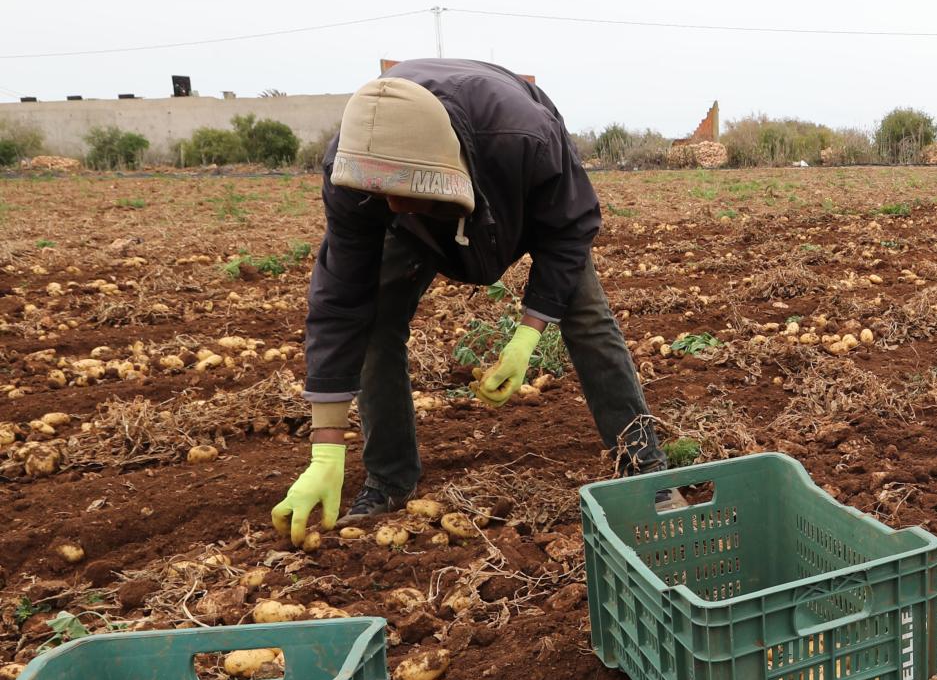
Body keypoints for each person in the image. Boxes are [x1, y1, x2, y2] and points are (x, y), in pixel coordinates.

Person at [272, 60, 666, 544]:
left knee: (585, 314)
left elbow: (569, 230)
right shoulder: (354, 171)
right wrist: (326, 448)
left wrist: (528, 335)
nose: (396, 207)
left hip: (504, 186)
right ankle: (390, 480)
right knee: (376, 323)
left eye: (407, 194)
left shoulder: (525, 138)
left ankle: (644, 463)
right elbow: (340, 299)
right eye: (387, 198)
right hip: (427, 206)